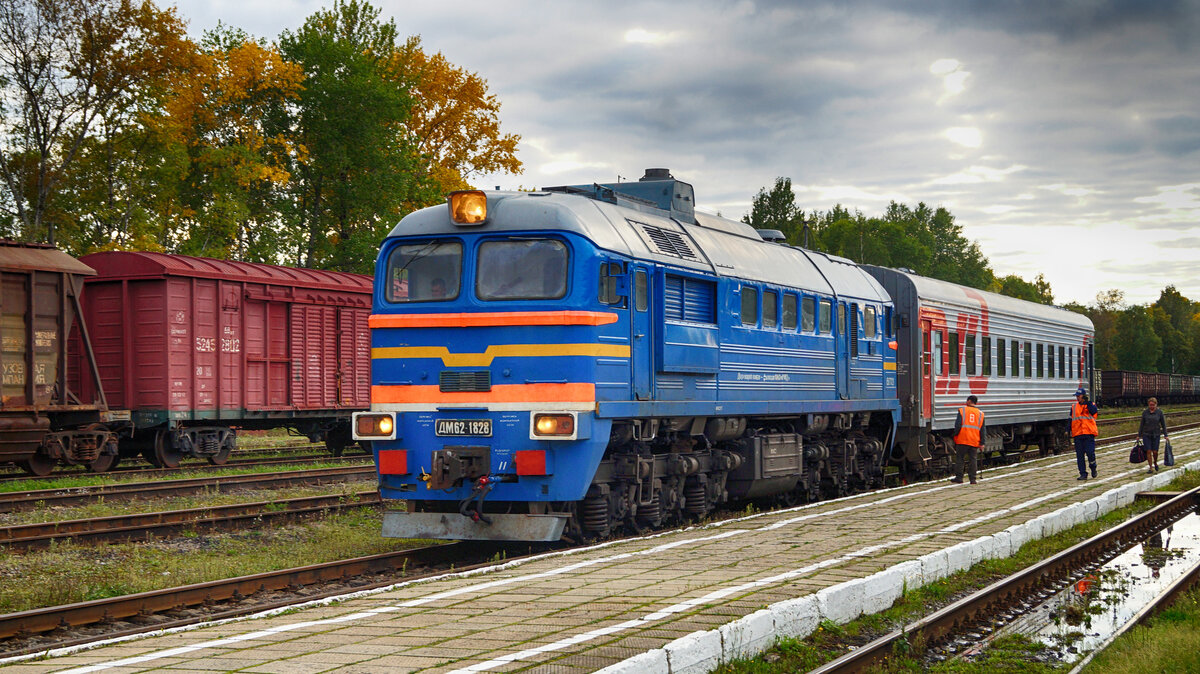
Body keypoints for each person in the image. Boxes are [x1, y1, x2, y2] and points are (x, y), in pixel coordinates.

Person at [950, 394, 984, 484]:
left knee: (960, 458)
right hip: (974, 440)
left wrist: (955, 435)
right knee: (973, 459)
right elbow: (983, 430)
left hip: (962, 439)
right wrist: (982, 443)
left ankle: (959, 478)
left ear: (969, 401)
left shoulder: (962, 411)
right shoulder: (981, 414)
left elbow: (958, 425)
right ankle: (972, 479)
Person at [1071, 387, 1099, 481]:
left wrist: (1087, 403)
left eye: (1079, 396)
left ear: (1084, 396)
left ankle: (1093, 467)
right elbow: (1070, 419)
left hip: (1088, 434)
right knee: (1080, 456)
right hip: (1078, 434)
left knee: (1090, 453)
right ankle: (1083, 473)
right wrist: (1068, 431)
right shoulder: (1074, 407)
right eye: (1076, 396)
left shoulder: (1091, 405)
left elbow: (1094, 412)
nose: (1077, 398)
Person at [1139, 396, 1168, 473]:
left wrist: (1166, 435)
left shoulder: (1159, 412)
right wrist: (1139, 435)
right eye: (1150, 405)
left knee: (1155, 451)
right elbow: (1142, 424)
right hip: (1146, 434)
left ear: (1156, 405)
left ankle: (1155, 462)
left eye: (1153, 405)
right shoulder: (1145, 413)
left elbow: (1163, 424)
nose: (1151, 406)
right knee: (1148, 451)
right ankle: (1150, 467)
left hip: (1156, 434)